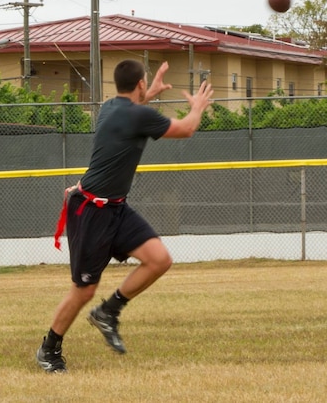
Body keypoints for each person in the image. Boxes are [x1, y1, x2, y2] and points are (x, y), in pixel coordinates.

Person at [36, 59, 213, 373]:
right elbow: (186, 129)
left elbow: (134, 109)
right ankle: (49, 349)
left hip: (115, 207)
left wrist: (151, 93)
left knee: (159, 259)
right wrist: (198, 106)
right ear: (141, 84)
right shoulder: (138, 115)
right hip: (90, 211)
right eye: (145, 84)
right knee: (84, 290)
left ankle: (108, 311)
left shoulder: (109, 107)